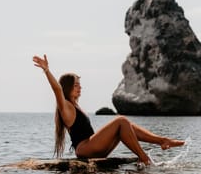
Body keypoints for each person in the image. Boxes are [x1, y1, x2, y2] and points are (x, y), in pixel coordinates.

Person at [33, 54, 185, 166]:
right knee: (121, 120)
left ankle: (162, 141)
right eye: (76, 85)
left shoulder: (76, 106)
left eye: (80, 84)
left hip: (92, 147)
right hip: (85, 148)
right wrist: (47, 70)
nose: (80, 87)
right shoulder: (66, 106)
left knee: (126, 127)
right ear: (68, 88)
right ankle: (145, 158)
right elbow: (57, 90)